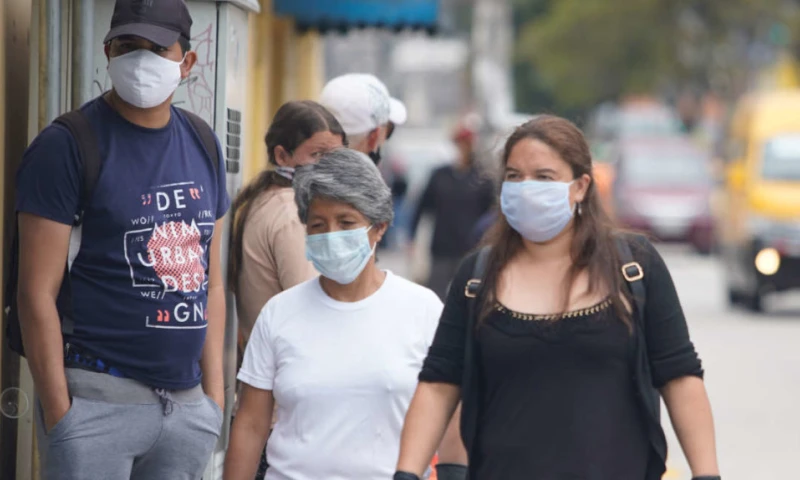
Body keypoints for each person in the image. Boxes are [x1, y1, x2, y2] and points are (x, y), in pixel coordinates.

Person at [395, 115, 721, 480]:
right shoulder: (477, 276)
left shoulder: (635, 267)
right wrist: (407, 473)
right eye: (514, 176)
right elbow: (439, 385)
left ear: (580, 186)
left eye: (544, 177)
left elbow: (680, 376)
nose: (526, 187)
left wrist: (706, 474)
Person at [15, 0, 229, 478]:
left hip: (188, 410)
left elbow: (210, 282)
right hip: (95, 404)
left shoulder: (202, 143)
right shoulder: (67, 145)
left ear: (187, 62)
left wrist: (212, 402)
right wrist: (62, 415)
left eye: (156, 48)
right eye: (128, 46)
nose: (141, 59)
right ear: (108, 50)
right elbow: (35, 294)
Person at [223, 149, 456, 480]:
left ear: (379, 228)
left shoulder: (423, 309)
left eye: (346, 222)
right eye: (318, 224)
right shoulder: (280, 313)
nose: (331, 235)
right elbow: (250, 423)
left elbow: (450, 418)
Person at [229, 100, 345, 342]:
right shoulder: (292, 214)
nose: (330, 167)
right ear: (282, 156)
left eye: (337, 156)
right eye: (318, 155)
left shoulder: (267, 198)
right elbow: (311, 304)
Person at [409, 121, 495, 300]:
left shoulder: (482, 178)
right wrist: (412, 237)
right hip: (442, 246)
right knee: (435, 295)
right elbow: (422, 207)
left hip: (471, 247)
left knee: (468, 296)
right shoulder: (440, 175)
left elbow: (492, 214)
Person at [319, 73, 406, 165]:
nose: (384, 142)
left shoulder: (304, 173)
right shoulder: (368, 178)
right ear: (373, 137)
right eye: (388, 132)